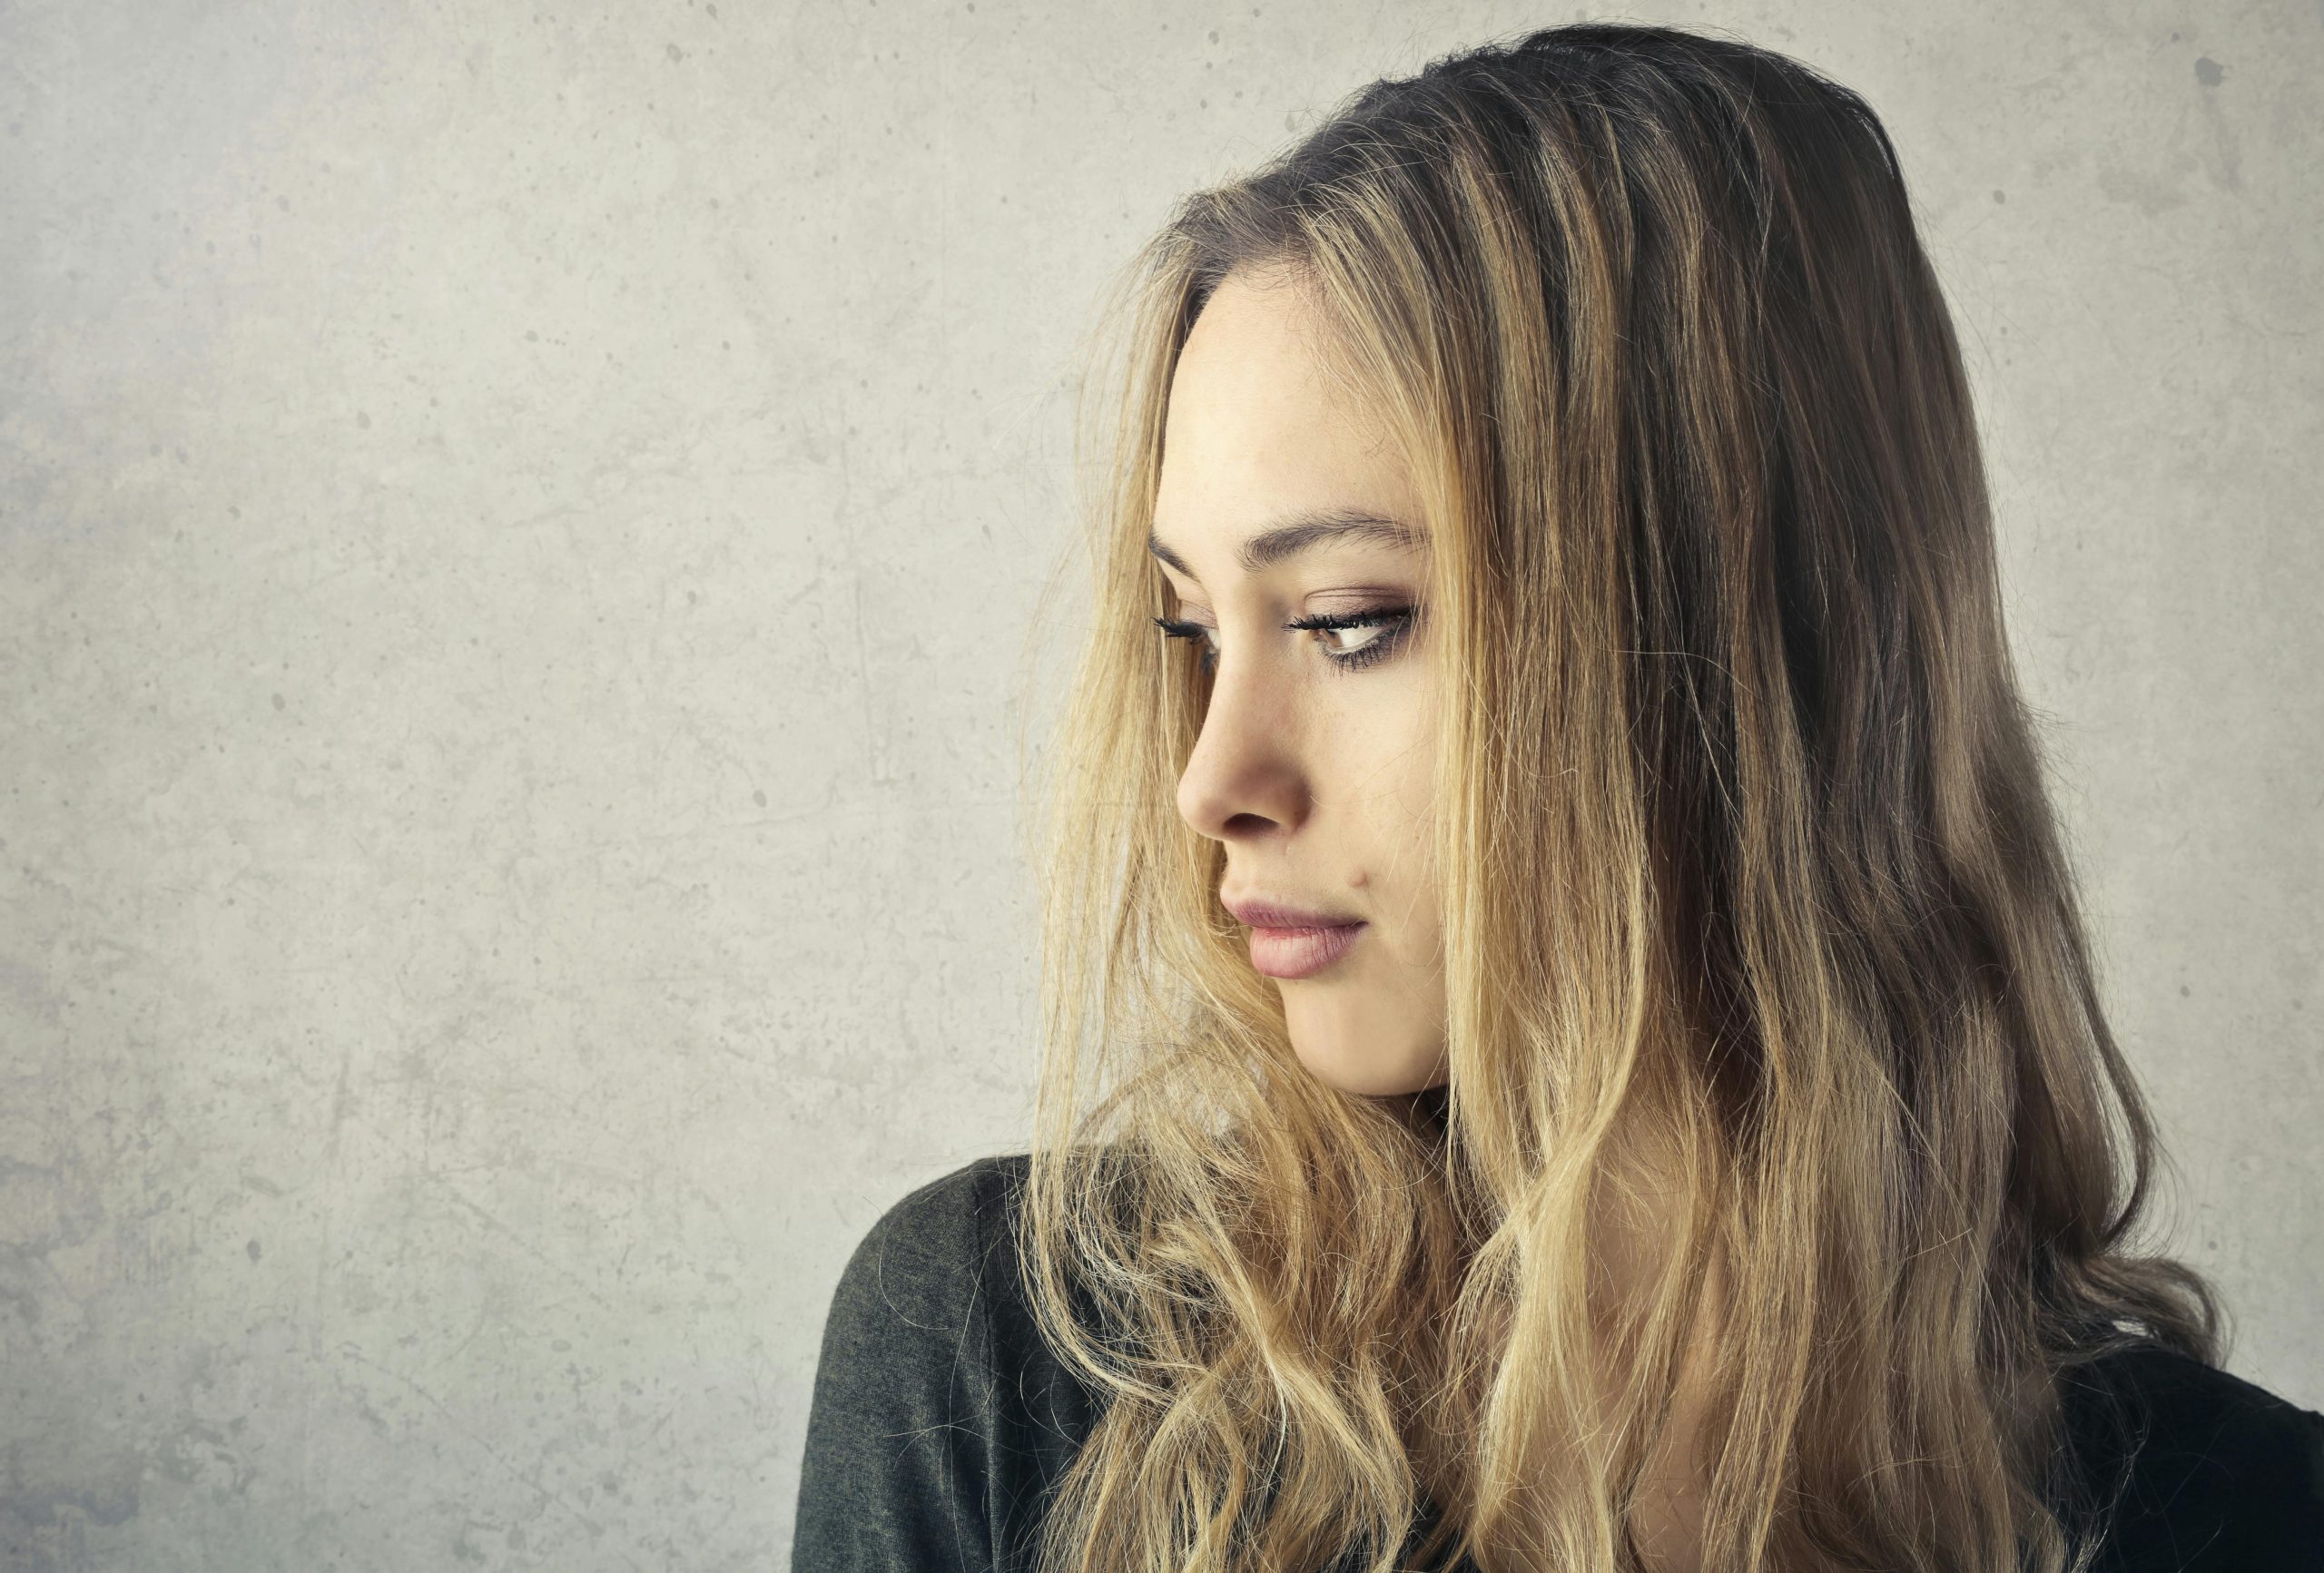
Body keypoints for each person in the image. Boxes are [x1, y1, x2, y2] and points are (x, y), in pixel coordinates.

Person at [790, 21, 2324, 1573]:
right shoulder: (1016, 1371)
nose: (1211, 778)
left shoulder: (2251, 1517)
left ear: (1728, 638)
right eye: (1188, 627)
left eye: (1346, 622)